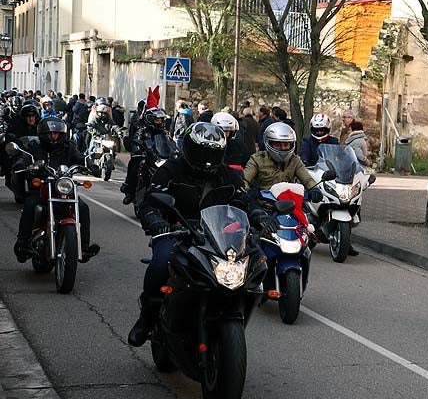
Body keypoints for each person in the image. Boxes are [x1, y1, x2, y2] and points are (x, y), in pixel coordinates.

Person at [127, 122, 273, 347]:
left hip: (217, 236)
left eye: (212, 153)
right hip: (178, 233)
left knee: (256, 258)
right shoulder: (171, 170)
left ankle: (239, 310)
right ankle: (147, 317)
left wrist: (257, 214)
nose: (206, 158)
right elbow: (150, 201)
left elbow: (244, 200)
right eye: (201, 151)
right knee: (160, 262)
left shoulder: (228, 175)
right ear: (189, 147)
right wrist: (156, 221)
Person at [8, 119, 100, 262]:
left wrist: (90, 165)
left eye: (56, 133)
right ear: (42, 134)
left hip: (63, 187)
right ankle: (23, 242)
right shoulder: (35, 147)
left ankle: (84, 246)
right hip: (41, 188)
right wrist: (22, 165)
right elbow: (24, 157)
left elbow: (80, 158)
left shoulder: (69, 147)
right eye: (50, 134)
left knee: (82, 207)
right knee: (31, 204)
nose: (53, 137)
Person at [243, 122, 319, 198]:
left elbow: (307, 179)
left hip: (290, 204)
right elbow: (245, 180)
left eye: (286, 145)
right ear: (268, 143)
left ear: (291, 144)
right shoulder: (257, 160)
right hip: (263, 204)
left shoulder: (295, 160)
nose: (282, 148)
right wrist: (248, 191)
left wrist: (314, 189)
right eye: (278, 144)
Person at [121, 108, 169, 205]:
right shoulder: (142, 130)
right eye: (157, 120)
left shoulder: (163, 132)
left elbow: (169, 143)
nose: (159, 122)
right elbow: (136, 140)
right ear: (150, 119)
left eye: (161, 120)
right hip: (145, 155)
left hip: (158, 156)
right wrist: (137, 150)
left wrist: (175, 151)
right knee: (135, 165)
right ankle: (129, 191)